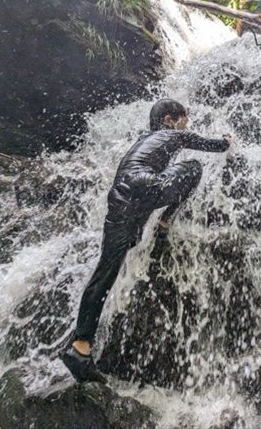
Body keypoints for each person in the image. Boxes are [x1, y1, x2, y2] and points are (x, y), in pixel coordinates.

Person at [61, 98, 231, 383]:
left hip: (120, 196)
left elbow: (134, 183)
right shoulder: (173, 134)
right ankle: (166, 221)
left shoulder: (143, 141)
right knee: (193, 168)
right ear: (169, 119)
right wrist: (226, 140)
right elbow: (214, 146)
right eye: (184, 118)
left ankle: (80, 346)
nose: (186, 123)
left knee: (106, 271)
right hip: (145, 185)